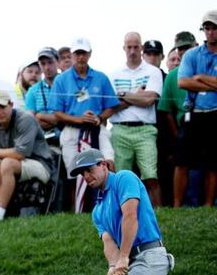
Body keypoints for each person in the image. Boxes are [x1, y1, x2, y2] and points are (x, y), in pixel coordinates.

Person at [50, 37, 120, 213]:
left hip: (97, 128)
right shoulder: (61, 80)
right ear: (72, 55)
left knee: (108, 162)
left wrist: (99, 117)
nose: (80, 57)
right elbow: (56, 113)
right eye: (77, 53)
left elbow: (112, 106)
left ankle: (111, 206)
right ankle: (78, 212)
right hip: (72, 130)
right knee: (75, 173)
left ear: (89, 54)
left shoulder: (100, 77)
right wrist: (79, 119)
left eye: (83, 53)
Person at [0, 91, 53, 222]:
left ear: (11, 105)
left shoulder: (25, 119)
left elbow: (20, 153)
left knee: (7, 163)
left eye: (3, 107)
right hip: (8, 162)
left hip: (40, 163)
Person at [108, 32, 164, 207]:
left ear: (141, 48)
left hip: (145, 129)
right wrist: (137, 95)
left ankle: (158, 213)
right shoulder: (114, 74)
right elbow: (110, 106)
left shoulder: (153, 71)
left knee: (150, 175)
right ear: (124, 48)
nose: (132, 51)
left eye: (136, 47)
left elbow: (149, 100)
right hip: (120, 129)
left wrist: (123, 95)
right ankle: (121, 213)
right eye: (129, 47)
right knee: (121, 177)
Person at [177, 10, 217, 207]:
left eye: (214, 28)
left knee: (213, 163)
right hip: (194, 112)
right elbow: (183, 82)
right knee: (182, 161)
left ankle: (209, 205)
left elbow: (192, 79)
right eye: (207, 28)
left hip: (215, 113)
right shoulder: (192, 54)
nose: (210, 32)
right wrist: (212, 84)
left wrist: (200, 78)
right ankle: (176, 206)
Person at [158, 31, 198, 207]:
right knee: (182, 165)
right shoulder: (173, 76)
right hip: (185, 124)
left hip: (210, 118)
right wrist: (177, 135)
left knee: (211, 166)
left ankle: (208, 204)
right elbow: (166, 111)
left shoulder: (208, 66)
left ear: (195, 46)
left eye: (186, 48)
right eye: (180, 49)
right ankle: (178, 205)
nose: (182, 52)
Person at [25, 47, 61, 139]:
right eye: (43, 63)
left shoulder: (68, 84)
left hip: (68, 137)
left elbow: (72, 116)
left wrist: (40, 116)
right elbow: (30, 120)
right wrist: (58, 119)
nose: (47, 67)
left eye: (50, 62)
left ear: (58, 62)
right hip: (43, 139)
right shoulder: (33, 90)